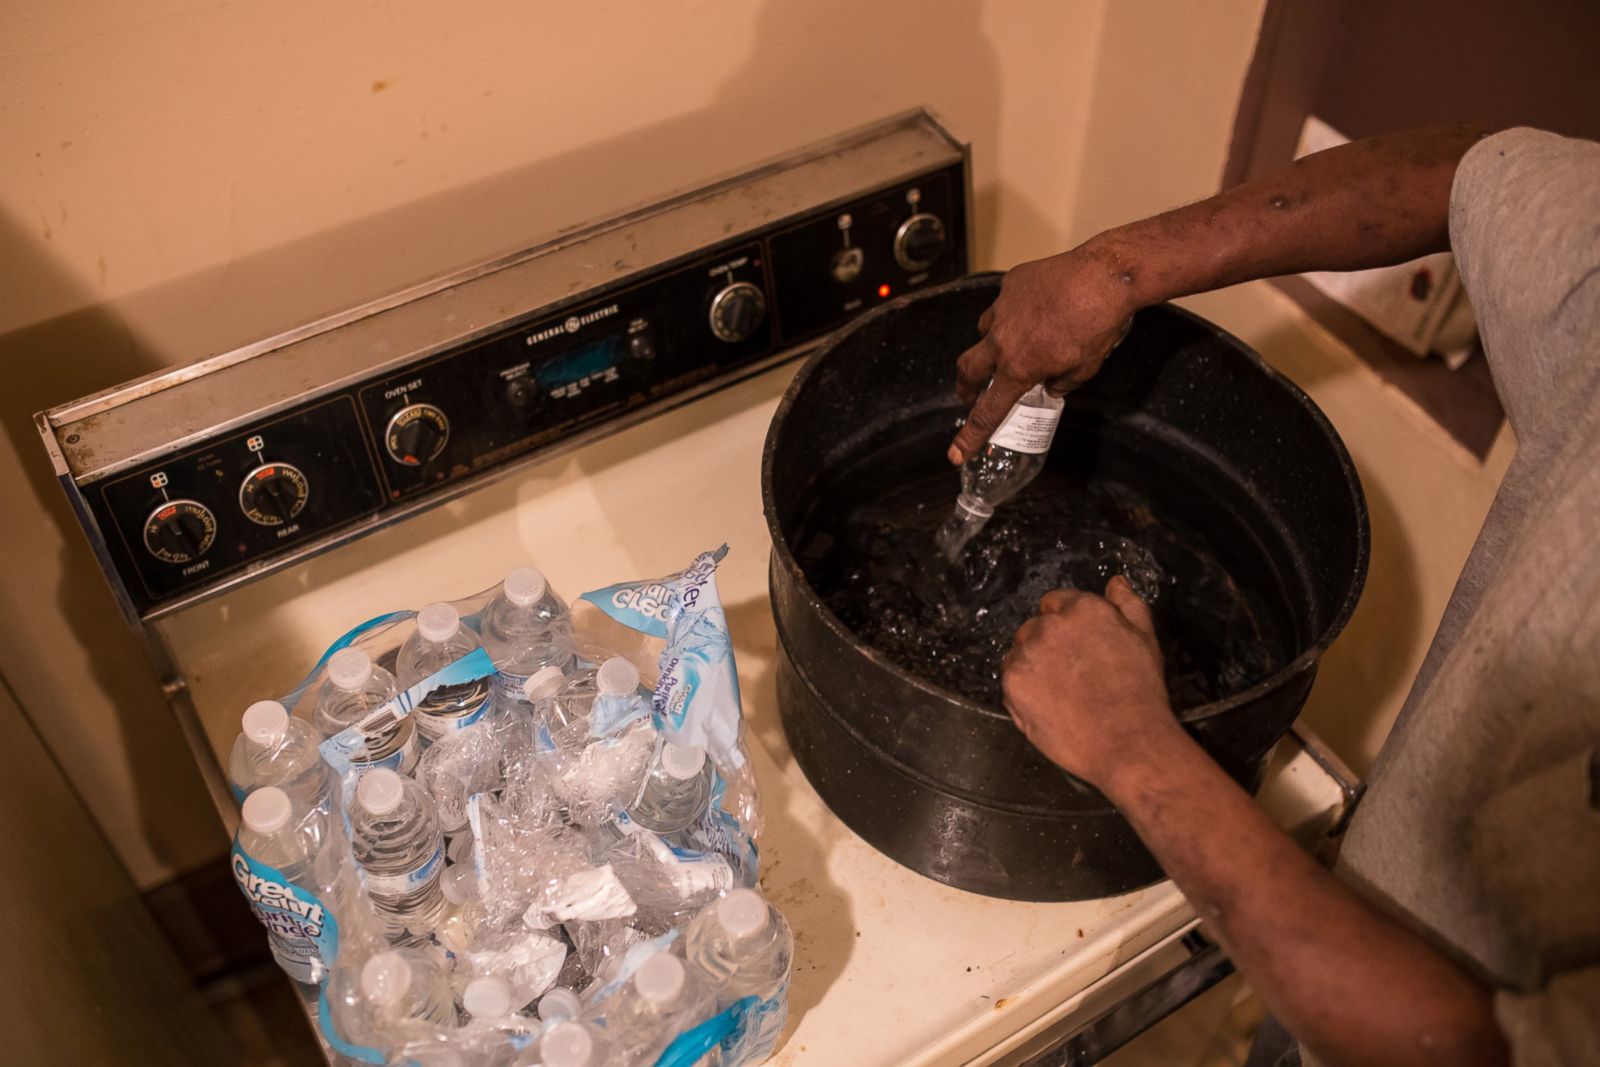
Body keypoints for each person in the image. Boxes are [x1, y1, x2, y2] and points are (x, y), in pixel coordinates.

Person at [953, 126, 1599, 1066]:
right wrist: (1115, 269)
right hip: (1339, 952)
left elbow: (1475, 1051)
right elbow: (1474, 174)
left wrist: (1132, 744)